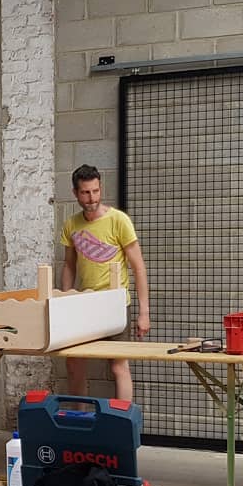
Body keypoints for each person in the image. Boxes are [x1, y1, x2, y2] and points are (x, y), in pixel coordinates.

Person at [60, 164, 150, 402]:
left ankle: (122, 420)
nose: (92, 198)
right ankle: (78, 417)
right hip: (84, 304)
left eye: (96, 191)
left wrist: (144, 313)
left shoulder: (119, 220)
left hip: (115, 305)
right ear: (75, 193)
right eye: (85, 192)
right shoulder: (71, 224)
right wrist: (65, 299)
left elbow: (139, 267)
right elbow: (69, 265)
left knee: (119, 365)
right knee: (74, 363)